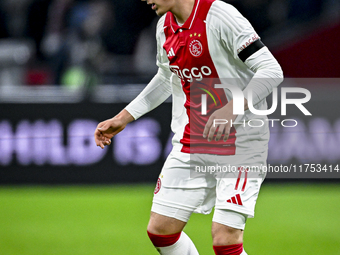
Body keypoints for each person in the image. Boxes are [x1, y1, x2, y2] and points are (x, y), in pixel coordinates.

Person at [94, 0, 283, 254]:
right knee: (161, 230)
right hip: (193, 140)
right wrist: (124, 117)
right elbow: (165, 77)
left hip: (241, 142)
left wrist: (231, 108)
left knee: (225, 239)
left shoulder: (220, 15)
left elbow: (271, 70)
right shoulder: (164, 26)